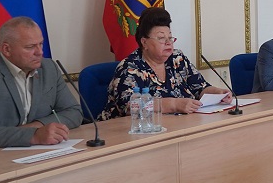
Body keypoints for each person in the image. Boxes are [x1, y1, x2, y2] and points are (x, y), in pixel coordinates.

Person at [0, 17, 82, 149]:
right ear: (7, 49)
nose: (40, 52)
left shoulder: (49, 68)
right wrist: (34, 135)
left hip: (31, 151)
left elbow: (74, 112)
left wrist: (37, 127)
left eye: (41, 44)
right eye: (30, 47)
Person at [99, 7, 232, 118]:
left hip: (177, 127)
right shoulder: (129, 68)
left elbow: (200, 88)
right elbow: (129, 107)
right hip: (131, 133)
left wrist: (218, 93)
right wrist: (174, 105)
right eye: (161, 38)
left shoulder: (177, 59)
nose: (168, 42)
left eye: (170, 37)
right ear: (144, 42)